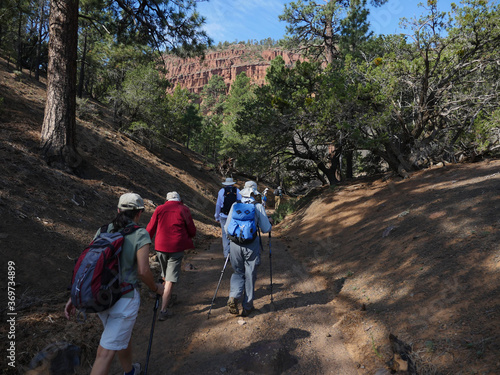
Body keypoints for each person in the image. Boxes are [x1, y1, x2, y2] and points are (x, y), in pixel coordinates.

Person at [65, 193, 164, 375]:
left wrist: (75, 293)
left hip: (102, 297)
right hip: (124, 300)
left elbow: (88, 265)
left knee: (119, 338)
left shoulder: (102, 231)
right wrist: (156, 288)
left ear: (118, 210)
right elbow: (143, 271)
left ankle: (130, 371)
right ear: (139, 213)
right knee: (104, 353)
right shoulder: (140, 234)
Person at [146, 191, 196, 321]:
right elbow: (192, 230)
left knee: (165, 274)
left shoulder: (159, 209)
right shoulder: (183, 209)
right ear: (179, 199)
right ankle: (163, 310)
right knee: (170, 279)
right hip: (176, 247)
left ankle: (163, 294)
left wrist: (145, 243)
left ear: (166, 200)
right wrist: (189, 236)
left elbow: (150, 228)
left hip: (160, 245)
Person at [225, 181, 272, 317]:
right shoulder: (258, 207)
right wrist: (269, 222)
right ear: (255, 192)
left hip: (235, 245)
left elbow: (227, 228)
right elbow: (266, 228)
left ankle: (234, 295)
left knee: (238, 272)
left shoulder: (235, 205)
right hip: (251, 245)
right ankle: (247, 306)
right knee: (250, 275)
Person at [214, 177, 242, 258]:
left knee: (225, 234)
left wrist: (217, 216)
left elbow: (218, 205)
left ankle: (227, 254)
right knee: (235, 233)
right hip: (234, 216)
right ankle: (235, 253)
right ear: (232, 183)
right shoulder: (237, 191)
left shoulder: (221, 191)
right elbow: (240, 203)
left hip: (224, 216)